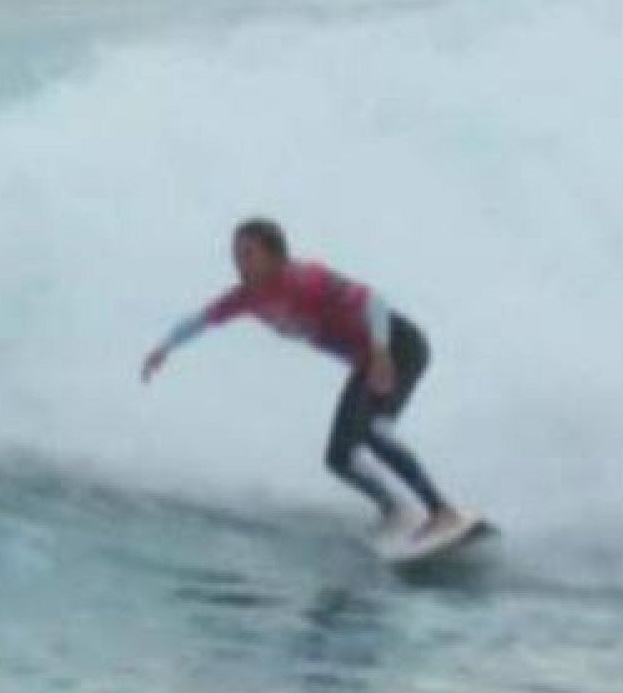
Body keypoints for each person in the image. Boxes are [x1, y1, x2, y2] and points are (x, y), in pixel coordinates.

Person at [141, 218, 463, 540]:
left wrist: (381, 354)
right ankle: (394, 510)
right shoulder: (246, 297)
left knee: (374, 432)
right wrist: (164, 347)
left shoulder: (306, 279)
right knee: (338, 458)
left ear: (274, 254)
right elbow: (202, 318)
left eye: (247, 253)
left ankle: (442, 511)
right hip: (369, 362)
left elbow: (373, 302)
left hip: (397, 347)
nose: (238, 262)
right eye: (236, 254)